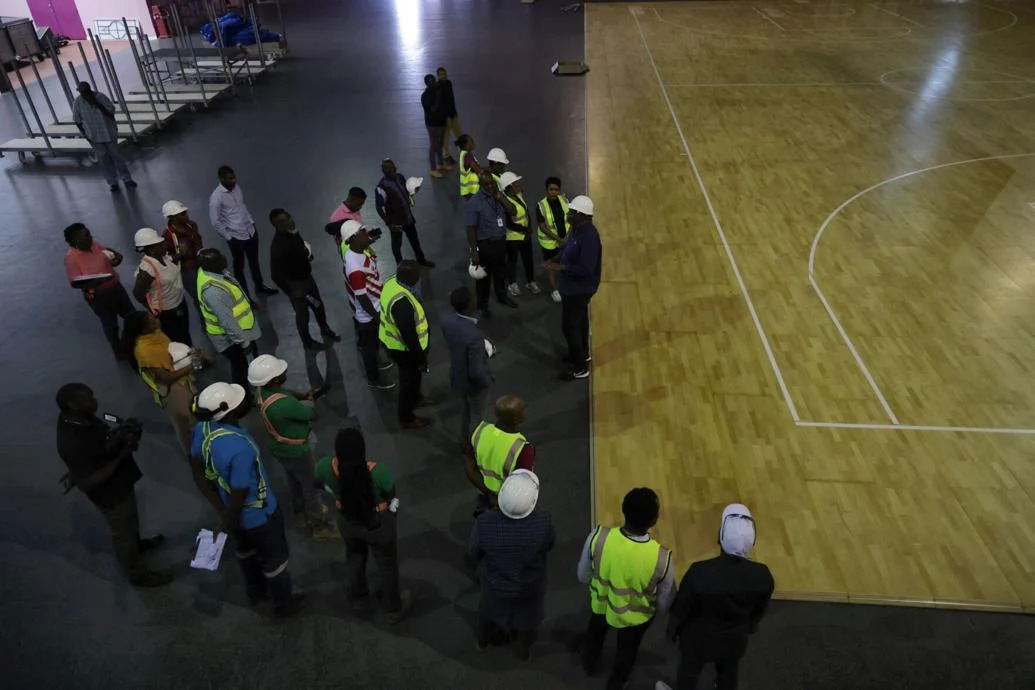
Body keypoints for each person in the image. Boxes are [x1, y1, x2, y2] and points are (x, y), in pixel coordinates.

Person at [191, 382, 304, 618]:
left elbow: (196, 468)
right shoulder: (239, 448)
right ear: (229, 411)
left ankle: (256, 592)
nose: (244, 401)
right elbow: (241, 490)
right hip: (260, 515)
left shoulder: (202, 429)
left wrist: (222, 511)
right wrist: (228, 518)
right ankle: (283, 605)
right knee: (274, 563)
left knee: (245, 553)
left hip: (231, 513)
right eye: (238, 401)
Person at [55, 383, 170, 587]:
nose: (94, 401)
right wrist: (122, 455)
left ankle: (137, 546)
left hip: (120, 481)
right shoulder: (72, 440)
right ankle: (136, 574)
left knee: (131, 521)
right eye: (88, 399)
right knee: (123, 531)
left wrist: (118, 435)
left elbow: (98, 446)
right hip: (109, 492)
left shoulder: (83, 418)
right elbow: (89, 480)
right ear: (72, 404)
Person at [657, 504, 774, 690]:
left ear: (720, 538)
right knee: (728, 672)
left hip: (697, 640)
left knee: (689, 671)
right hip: (735, 640)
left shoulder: (700, 572)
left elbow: (681, 608)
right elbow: (758, 612)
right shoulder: (763, 576)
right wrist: (748, 627)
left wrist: (672, 630)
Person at [578, 487, 675, 690]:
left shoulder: (598, 538)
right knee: (627, 651)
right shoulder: (662, 559)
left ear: (623, 510)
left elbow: (582, 575)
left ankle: (589, 662)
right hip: (637, 619)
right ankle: (617, 683)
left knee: (594, 634)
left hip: (601, 606)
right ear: (654, 520)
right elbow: (664, 603)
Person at [314, 427, 412, 623]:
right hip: (375, 523)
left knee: (355, 557)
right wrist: (392, 514)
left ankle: (359, 597)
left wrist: (336, 497)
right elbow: (391, 494)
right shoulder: (378, 472)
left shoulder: (325, 466)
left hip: (347, 521)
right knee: (386, 564)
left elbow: (318, 483)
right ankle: (393, 608)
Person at [247, 354, 339, 541]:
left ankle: (299, 512)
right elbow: (312, 415)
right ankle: (319, 526)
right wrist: (314, 401)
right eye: (281, 372)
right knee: (310, 487)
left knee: (294, 479)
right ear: (274, 380)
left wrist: (302, 395)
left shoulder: (263, 393)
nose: (285, 372)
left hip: (280, 448)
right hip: (297, 451)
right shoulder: (284, 406)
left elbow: (285, 393)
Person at [469, 469, 554, 661]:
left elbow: (473, 552)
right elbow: (550, 544)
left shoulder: (484, 523)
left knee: (487, 615)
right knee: (526, 622)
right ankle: (523, 652)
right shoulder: (543, 523)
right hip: (529, 588)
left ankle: (482, 642)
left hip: (494, 585)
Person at [122, 310, 203, 457]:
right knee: (186, 424)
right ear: (144, 330)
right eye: (152, 320)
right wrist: (192, 364)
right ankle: (195, 455)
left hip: (182, 380)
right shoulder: (145, 350)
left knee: (194, 415)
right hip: (173, 390)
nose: (156, 320)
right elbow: (165, 378)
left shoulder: (155, 334)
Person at [545, 195, 601, 381]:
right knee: (580, 322)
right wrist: (557, 258)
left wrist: (561, 268)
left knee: (569, 327)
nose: (568, 214)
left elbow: (586, 268)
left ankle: (580, 368)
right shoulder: (577, 229)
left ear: (581, 215)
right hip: (572, 287)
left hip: (580, 289)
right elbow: (568, 248)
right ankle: (582, 354)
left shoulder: (590, 237)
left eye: (571, 212)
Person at [268, 208, 340, 350]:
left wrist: (306, 256)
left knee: (318, 306)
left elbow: (299, 248)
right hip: (296, 286)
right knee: (303, 315)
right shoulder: (278, 247)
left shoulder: (293, 232)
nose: (289, 221)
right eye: (283, 221)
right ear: (276, 225)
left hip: (307, 279)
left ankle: (324, 328)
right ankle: (307, 343)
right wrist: (291, 291)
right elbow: (275, 275)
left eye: (288, 217)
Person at [63, 223, 134, 361]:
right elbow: (74, 282)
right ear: (75, 240)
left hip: (115, 288)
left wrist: (116, 258)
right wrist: (96, 282)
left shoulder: (95, 245)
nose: (90, 237)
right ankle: (119, 351)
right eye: (86, 235)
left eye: (89, 233)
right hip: (99, 296)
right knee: (110, 324)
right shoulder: (71, 258)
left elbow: (110, 256)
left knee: (131, 315)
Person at [196, 248, 261, 395]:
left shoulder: (213, 273)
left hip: (238, 332)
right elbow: (227, 321)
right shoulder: (213, 291)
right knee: (241, 367)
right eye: (219, 259)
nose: (224, 259)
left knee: (242, 365)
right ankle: (244, 396)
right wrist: (244, 343)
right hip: (231, 339)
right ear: (211, 265)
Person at [208, 165, 278, 300]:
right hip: (236, 237)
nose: (234, 180)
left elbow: (242, 207)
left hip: (250, 232)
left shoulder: (237, 188)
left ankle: (260, 286)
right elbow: (215, 221)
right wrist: (229, 238)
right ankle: (246, 296)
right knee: (239, 268)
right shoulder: (216, 198)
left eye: (234, 177)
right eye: (230, 178)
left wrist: (251, 222)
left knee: (254, 262)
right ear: (221, 179)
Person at [378, 260, 434, 429]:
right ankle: (406, 417)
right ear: (410, 277)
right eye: (417, 275)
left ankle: (416, 398)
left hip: (394, 342)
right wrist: (421, 357)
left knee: (414, 377)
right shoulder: (401, 303)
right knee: (407, 381)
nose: (419, 277)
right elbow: (409, 335)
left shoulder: (392, 282)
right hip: (403, 349)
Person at [341, 220, 395, 390]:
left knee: (373, 344)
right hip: (368, 314)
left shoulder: (357, 252)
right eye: (363, 231)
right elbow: (362, 297)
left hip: (375, 305)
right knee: (369, 348)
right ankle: (374, 378)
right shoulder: (355, 268)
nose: (367, 232)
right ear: (354, 237)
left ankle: (377, 361)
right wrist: (377, 316)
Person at [440, 286, 493, 446]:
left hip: (458, 376)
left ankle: (464, 441)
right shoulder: (473, 337)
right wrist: (488, 383)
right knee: (477, 417)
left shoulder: (447, 320)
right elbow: (476, 371)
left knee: (467, 412)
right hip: (473, 385)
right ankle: (473, 448)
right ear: (469, 305)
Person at [464, 395, 535, 511]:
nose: (525, 409)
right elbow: (523, 486)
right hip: (508, 502)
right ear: (516, 419)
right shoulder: (523, 449)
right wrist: (499, 499)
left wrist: (488, 493)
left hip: (483, 492)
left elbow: (469, 468)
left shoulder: (480, 431)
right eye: (523, 409)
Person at [466, 173, 518, 318]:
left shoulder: (499, 196)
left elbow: (513, 211)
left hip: (501, 243)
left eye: (492, 183)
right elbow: (470, 229)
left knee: (501, 273)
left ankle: (502, 296)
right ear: (481, 185)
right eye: (487, 184)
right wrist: (474, 251)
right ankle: (483, 306)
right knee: (483, 279)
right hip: (485, 246)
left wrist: (501, 198)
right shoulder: (474, 203)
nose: (490, 186)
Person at [131, 227, 192, 346]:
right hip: (167, 312)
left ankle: (191, 356)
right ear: (151, 249)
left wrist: (183, 251)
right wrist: (152, 308)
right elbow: (137, 294)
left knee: (185, 334)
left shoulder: (164, 257)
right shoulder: (147, 270)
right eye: (160, 244)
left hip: (179, 303)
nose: (164, 245)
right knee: (176, 341)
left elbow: (174, 258)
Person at [71, 81, 136, 191]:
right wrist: (85, 134)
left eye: (85, 92)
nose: (83, 95)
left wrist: (98, 105)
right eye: (81, 92)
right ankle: (112, 182)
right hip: (94, 136)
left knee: (117, 156)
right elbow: (77, 120)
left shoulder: (100, 97)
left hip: (109, 133)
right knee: (104, 159)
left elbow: (111, 112)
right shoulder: (78, 102)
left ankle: (127, 179)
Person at [375, 158, 435, 267]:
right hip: (395, 222)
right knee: (397, 245)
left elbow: (406, 192)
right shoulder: (381, 188)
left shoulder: (400, 177)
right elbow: (378, 207)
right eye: (388, 170)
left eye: (393, 169)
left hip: (407, 217)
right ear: (384, 172)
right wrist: (388, 223)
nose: (392, 172)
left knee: (414, 240)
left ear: (395, 168)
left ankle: (421, 260)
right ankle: (400, 266)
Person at [499, 172, 539, 296]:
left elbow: (526, 212)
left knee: (528, 259)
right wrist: (524, 230)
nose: (519, 184)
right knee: (512, 261)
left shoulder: (518, 194)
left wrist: (529, 227)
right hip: (513, 238)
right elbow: (509, 224)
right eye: (516, 183)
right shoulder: (505, 203)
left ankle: (530, 281)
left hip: (525, 235)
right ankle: (512, 284)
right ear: (510, 186)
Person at [162, 200, 204, 309]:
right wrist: (180, 255)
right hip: (187, 270)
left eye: (185, 212)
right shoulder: (168, 235)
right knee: (199, 297)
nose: (186, 215)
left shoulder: (192, 225)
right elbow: (165, 258)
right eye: (182, 214)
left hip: (200, 263)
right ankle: (205, 322)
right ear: (172, 217)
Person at [536, 176, 570, 303]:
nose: (554, 192)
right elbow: (543, 227)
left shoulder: (564, 200)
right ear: (546, 190)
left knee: (564, 263)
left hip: (564, 240)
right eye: (551, 189)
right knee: (551, 265)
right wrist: (558, 239)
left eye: (556, 190)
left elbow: (570, 219)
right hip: (549, 243)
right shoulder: (540, 205)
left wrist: (566, 237)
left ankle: (563, 282)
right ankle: (553, 289)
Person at [420, 74, 451, 178]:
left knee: (440, 144)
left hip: (441, 122)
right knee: (433, 145)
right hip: (432, 125)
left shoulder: (438, 91)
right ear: (427, 83)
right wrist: (438, 98)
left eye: (434, 80)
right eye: (430, 81)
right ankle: (433, 169)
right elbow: (432, 110)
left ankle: (441, 164)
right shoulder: (425, 96)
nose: (433, 83)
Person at [437, 67, 461, 164]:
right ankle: (446, 155)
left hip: (452, 114)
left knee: (458, 133)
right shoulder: (437, 87)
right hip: (446, 116)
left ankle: (462, 150)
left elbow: (451, 99)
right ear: (438, 75)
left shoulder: (448, 83)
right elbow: (440, 103)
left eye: (444, 74)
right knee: (446, 137)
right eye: (441, 74)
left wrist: (454, 112)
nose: (443, 76)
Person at [456, 134, 482, 199]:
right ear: (465, 145)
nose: (473, 143)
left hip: (467, 189)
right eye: (471, 141)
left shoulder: (463, 153)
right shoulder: (467, 156)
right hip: (471, 189)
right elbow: (477, 170)